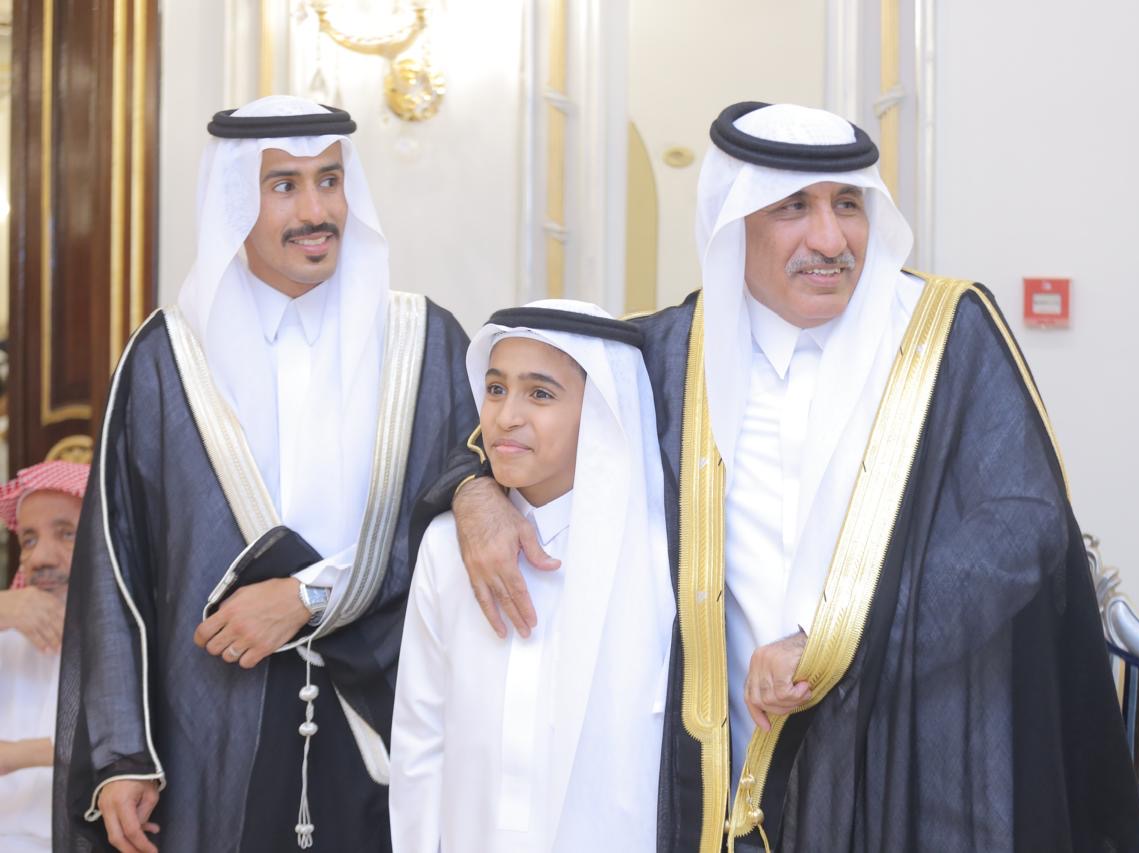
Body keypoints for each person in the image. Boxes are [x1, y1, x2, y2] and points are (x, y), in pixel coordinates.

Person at [430, 102, 1139, 851]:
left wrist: (837, 642)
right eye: (793, 207)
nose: (830, 240)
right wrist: (475, 490)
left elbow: (1022, 522)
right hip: (723, 767)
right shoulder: (669, 355)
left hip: (914, 753)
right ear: (734, 219)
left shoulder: (945, 332)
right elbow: (523, 425)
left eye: (848, 204)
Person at [53, 96, 475, 853]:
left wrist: (308, 596)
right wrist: (122, 755)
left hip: (386, 714)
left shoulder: (424, 342)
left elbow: (454, 523)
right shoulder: (168, 357)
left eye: (329, 181)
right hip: (211, 724)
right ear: (233, 202)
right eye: (284, 185)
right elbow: (116, 566)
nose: (316, 211)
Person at [390, 300, 673, 852]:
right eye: (496, 389)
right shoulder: (447, 545)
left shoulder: (660, 556)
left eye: (540, 394)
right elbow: (420, 740)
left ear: (602, 409)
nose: (506, 416)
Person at [0, 461, 89, 853]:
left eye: (67, 533)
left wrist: (18, 754)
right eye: (29, 540)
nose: (41, 560)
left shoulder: (133, 635)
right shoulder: (7, 628)